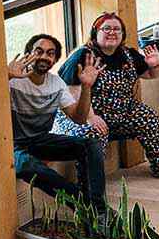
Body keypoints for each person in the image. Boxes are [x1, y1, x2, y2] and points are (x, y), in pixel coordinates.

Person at [55, 12, 159, 181]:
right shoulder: (83, 56)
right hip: (81, 115)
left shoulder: (127, 54)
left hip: (120, 113)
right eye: (106, 28)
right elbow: (71, 92)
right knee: (93, 133)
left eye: (117, 29)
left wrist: (156, 64)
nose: (112, 32)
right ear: (95, 32)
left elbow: (151, 74)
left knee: (148, 116)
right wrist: (90, 117)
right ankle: (90, 184)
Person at [8, 34, 107, 204]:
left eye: (50, 53)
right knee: (27, 166)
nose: (44, 56)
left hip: (40, 141)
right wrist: (7, 77)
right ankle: (83, 203)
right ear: (28, 54)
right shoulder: (14, 81)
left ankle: (97, 205)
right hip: (13, 145)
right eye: (38, 51)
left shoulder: (56, 84)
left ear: (54, 60)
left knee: (91, 145)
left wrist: (86, 87)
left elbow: (78, 119)